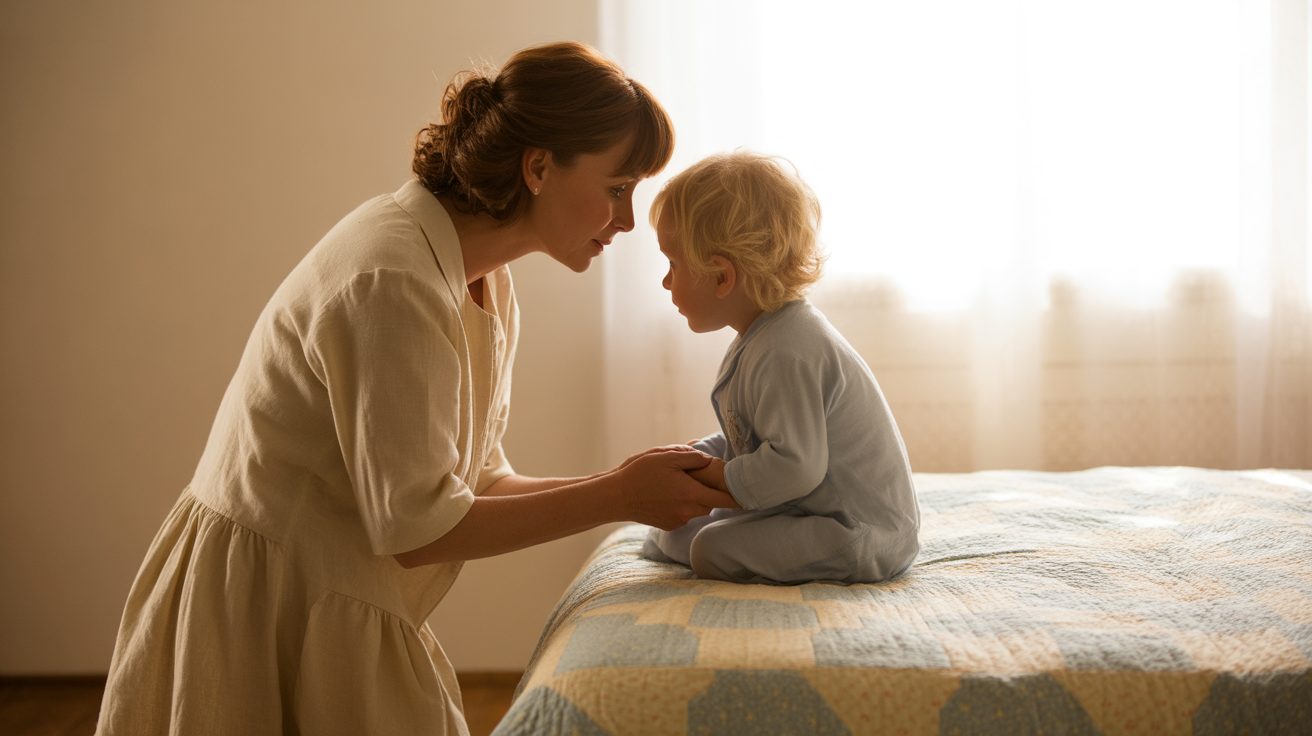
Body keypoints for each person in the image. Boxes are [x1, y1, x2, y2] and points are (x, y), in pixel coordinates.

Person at [96, 42, 737, 736]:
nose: (628, 220)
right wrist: (618, 495)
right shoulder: (395, 278)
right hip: (267, 605)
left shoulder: (481, 276)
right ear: (540, 167)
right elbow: (416, 528)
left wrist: (631, 484)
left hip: (330, 593)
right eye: (618, 188)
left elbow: (479, 483)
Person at [640, 151, 921, 585]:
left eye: (673, 264)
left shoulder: (788, 351)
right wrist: (701, 454)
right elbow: (754, 432)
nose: (666, 281)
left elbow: (794, 466)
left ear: (721, 277)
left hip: (856, 532)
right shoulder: (764, 335)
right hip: (812, 511)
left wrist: (717, 475)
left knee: (708, 547)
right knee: (679, 533)